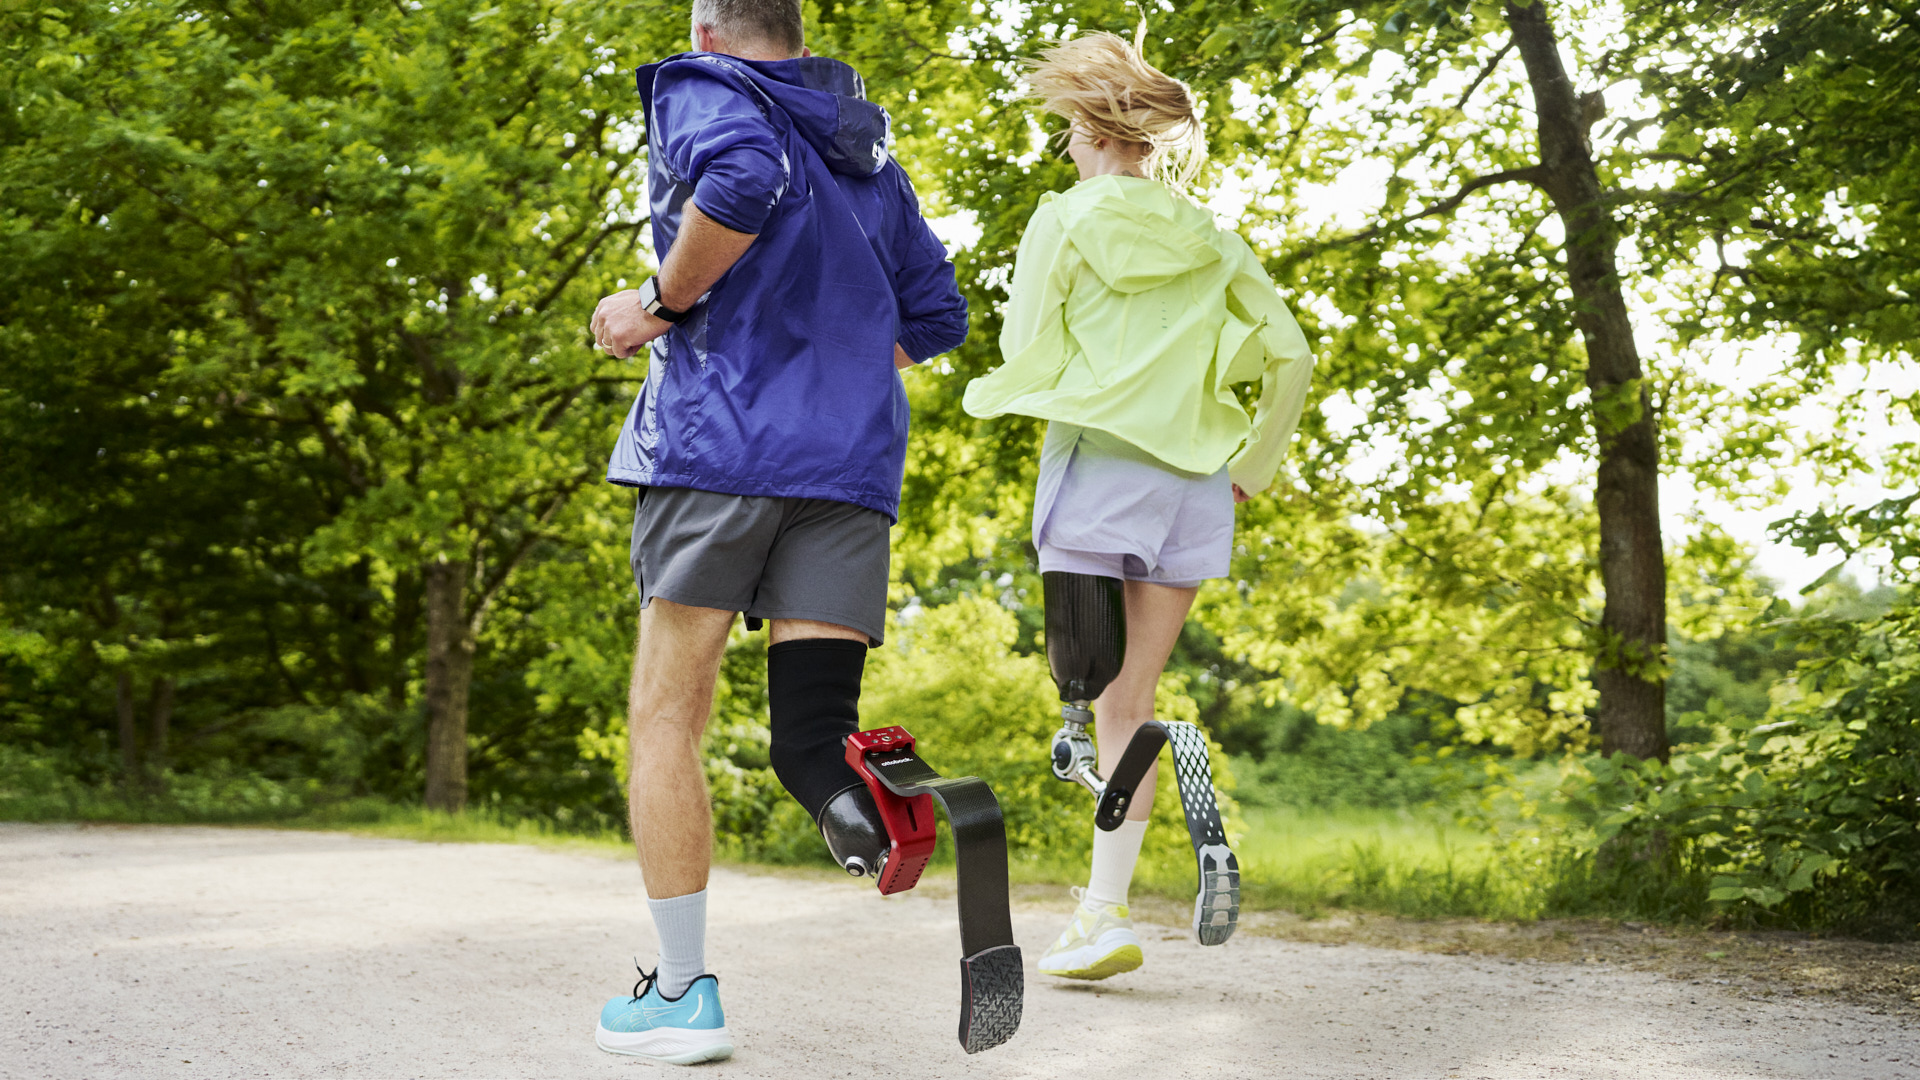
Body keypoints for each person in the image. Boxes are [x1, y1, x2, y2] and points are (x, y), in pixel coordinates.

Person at [586, 0, 968, 1062]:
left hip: (721, 452)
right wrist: (833, 375)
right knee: (810, 740)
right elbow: (936, 314)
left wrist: (660, 301)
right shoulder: (866, 152)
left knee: (667, 719)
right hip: (846, 468)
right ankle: (878, 804)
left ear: (710, 31)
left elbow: (741, 183)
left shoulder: (707, 88)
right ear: (796, 32)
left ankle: (680, 996)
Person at [962, 28, 1315, 982]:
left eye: (1068, 128)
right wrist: (1253, 461)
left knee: (1083, 701)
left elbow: (1027, 345)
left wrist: (1011, 388)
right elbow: (1291, 356)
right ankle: (1104, 911)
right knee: (1135, 704)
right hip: (1197, 487)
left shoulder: (1066, 219)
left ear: (1088, 126)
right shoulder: (1214, 238)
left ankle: (1106, 915)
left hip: (1099, 473)